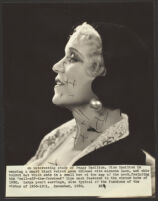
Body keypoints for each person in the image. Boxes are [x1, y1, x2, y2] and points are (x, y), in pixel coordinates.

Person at [26, 22, 154, 167]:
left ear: (108, 74)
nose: (56, 66)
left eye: (73, 57)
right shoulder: (56, 138)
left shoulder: (129, 161)